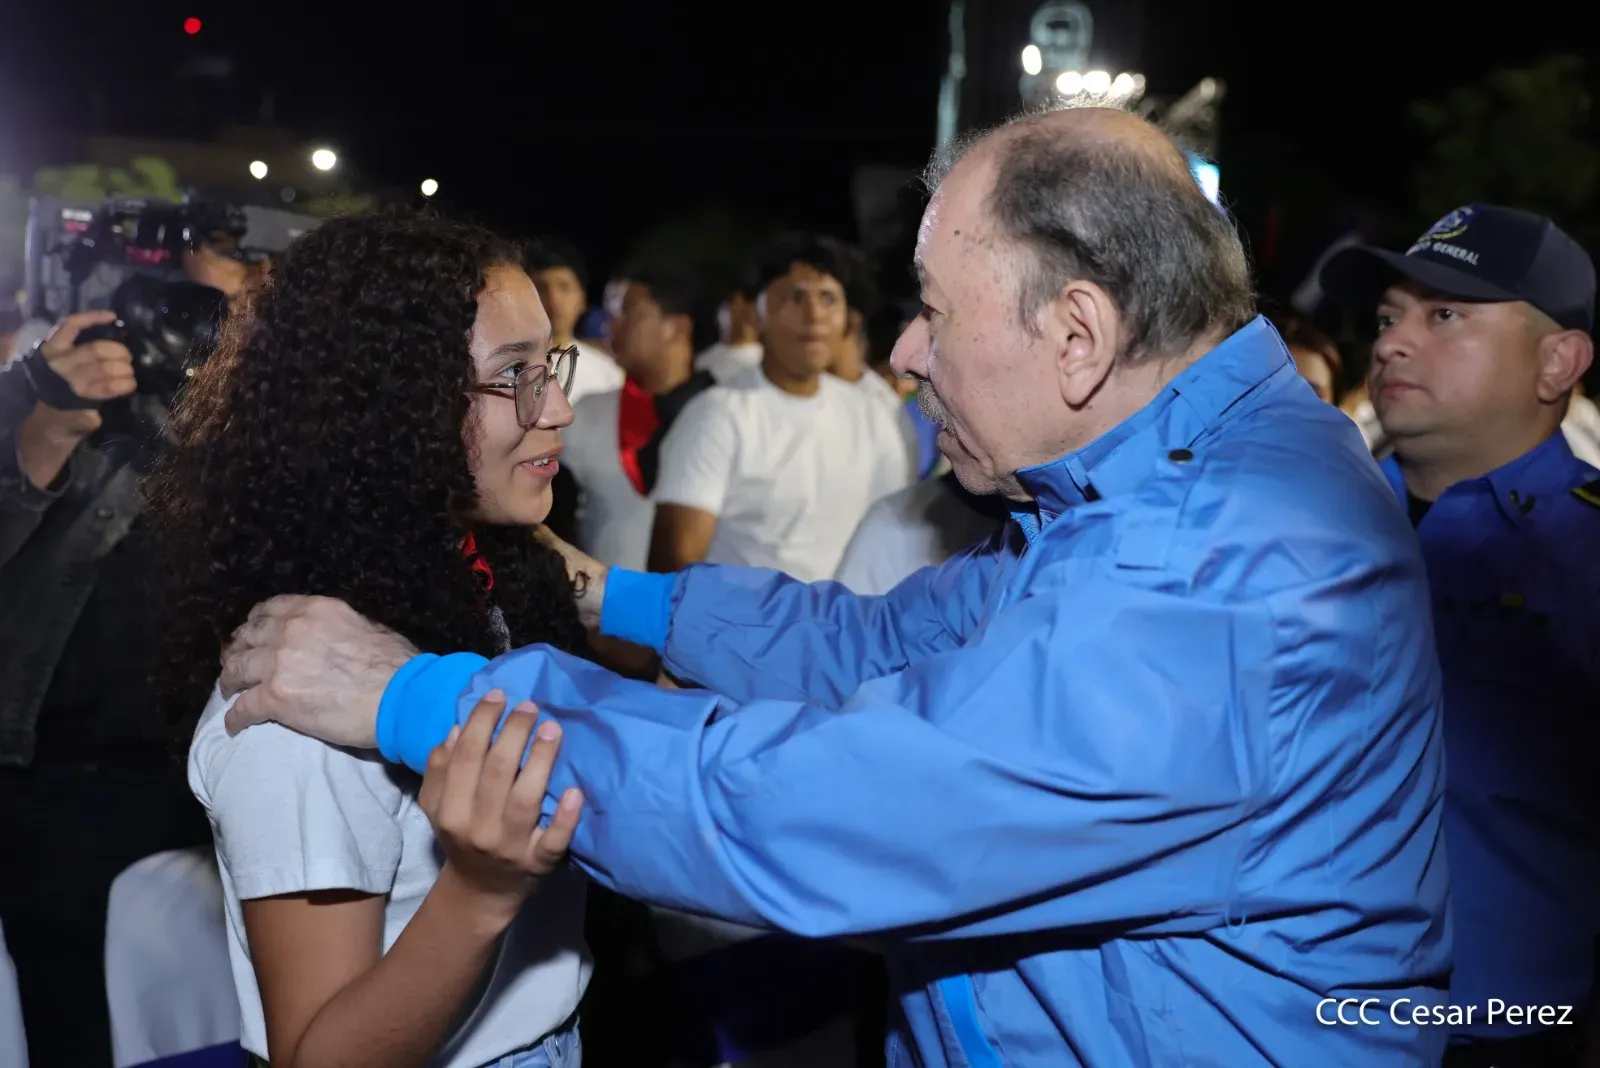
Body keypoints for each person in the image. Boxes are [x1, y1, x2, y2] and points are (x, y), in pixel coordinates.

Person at [217, 107, 1450, 1066]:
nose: (904, 351)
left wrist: (418, 700)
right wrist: (614, 600)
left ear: (1076, 335)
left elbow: (796, 808)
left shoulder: (1204, 573)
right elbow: (875, 642)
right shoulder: (1170, 481)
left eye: (931, 310)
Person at [145, 212, 592, 1068]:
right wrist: (480, 890)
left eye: (550, 363)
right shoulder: (299, 699)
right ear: (395, 403)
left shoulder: (478, 582)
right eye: (515, 375)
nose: (560, 407)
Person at [1321, 203, 1598, 1068]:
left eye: (1445, 315)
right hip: (1297, 1016)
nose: (1395, 343)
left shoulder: (1587, 553)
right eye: (1388, 318)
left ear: (1559, 361)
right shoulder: (1301, 527)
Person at [647, 232, 919, 581]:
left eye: (828, 299)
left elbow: (896, 541)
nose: (813, 315)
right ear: (754, 315)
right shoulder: (717, 415)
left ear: (847, 321)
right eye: (794, 297)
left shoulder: (875, 416)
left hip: (851, 630)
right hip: (744, 632)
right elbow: (673, 566)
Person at [563, 261, 716, 571]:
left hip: (697, 612)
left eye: (630, 312)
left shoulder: (719, 414)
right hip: (602, 613)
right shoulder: (585, 411)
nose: (613, 325)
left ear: (677, 328)